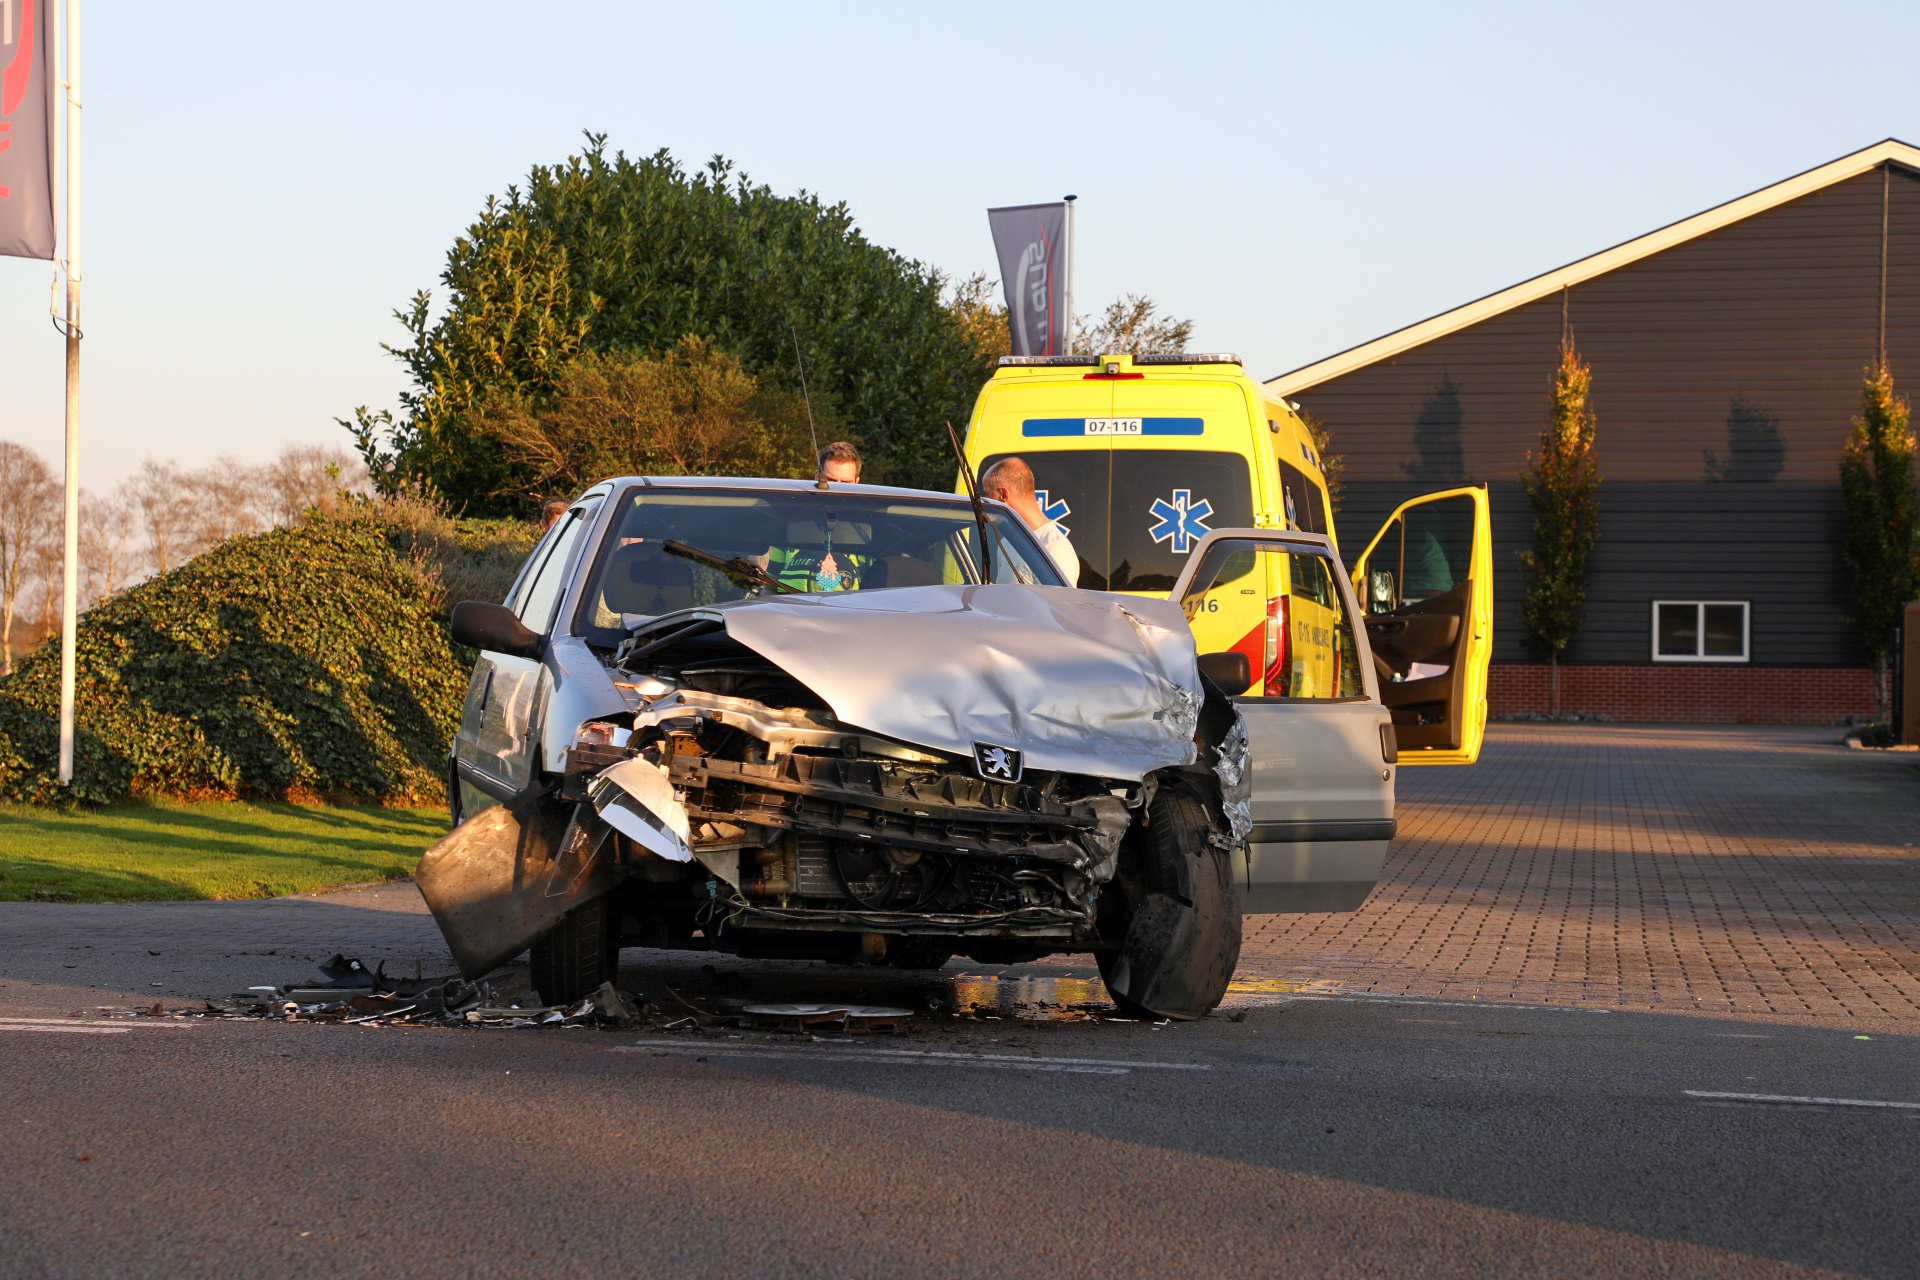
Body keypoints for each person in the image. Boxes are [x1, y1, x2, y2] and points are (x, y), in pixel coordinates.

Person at [980, 457, 1079, 585]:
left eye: (987, 495)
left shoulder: (1054, 549)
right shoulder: (1008, 541)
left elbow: (1060, 599)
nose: (985, 503)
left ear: (1004, 495)